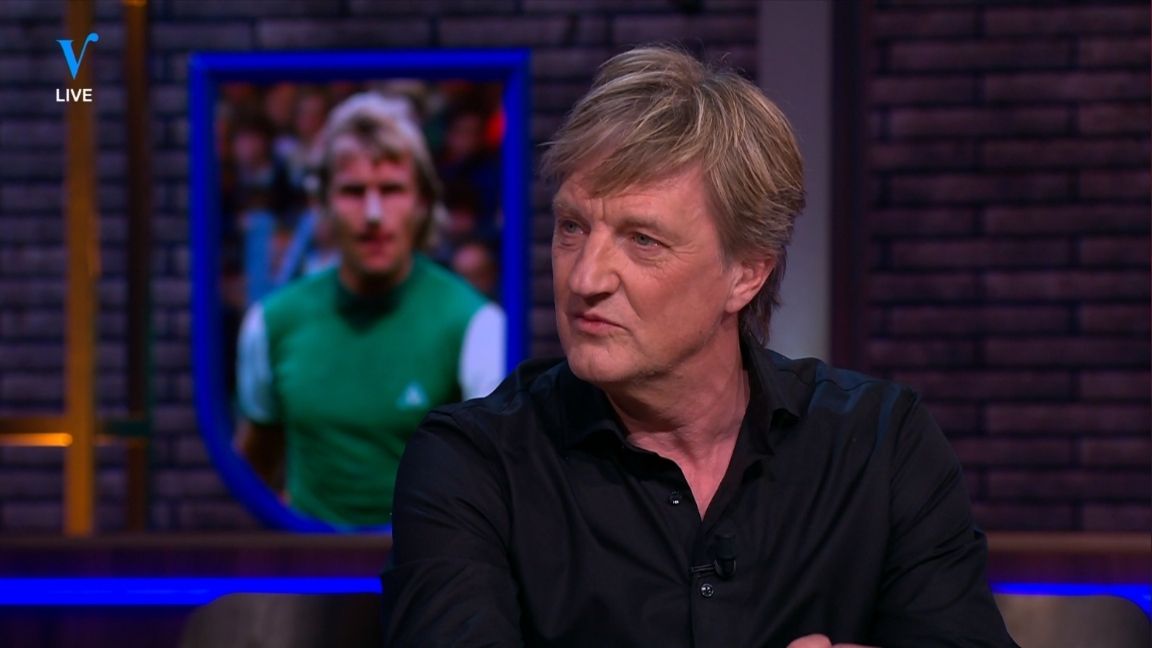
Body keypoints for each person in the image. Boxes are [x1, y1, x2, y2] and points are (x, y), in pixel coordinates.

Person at [383, 46, 1016, 646]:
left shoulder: (881, 447)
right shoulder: (472, 465)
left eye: (642, 240)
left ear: (746, 273)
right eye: (572, 227)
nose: (584, 278)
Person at [235, 92, 506, 528]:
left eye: (392, 189)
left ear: (422, 202)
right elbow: (252, 470)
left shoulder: (475, 324)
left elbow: (493, 487)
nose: (374, 213)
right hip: (308, 564)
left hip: (426, 564)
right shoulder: (272, 322)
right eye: (354, 191)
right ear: (322, 202)